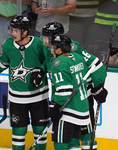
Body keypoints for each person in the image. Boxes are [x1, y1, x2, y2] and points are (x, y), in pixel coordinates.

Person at [40, 22, 108, 150]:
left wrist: (97, 86)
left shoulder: (72, 48)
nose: (43, 41)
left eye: (45, 37)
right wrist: (40, 70)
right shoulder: (49, 49)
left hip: (80, 97)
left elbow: (96, 64)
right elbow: (49, 64)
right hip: (66, 98)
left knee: (86, 135)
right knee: (72, 137)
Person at [0, 15, 50, 150]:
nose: (12, 33)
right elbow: (2, 63)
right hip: (17, 98)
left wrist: (42, 70)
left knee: (40, 131)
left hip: (39, 96)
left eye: (16, 31)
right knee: (18, 133)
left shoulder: (39, 44)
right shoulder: (8, 44)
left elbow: (50, 62)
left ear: (25, 32)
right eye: (12, 30)